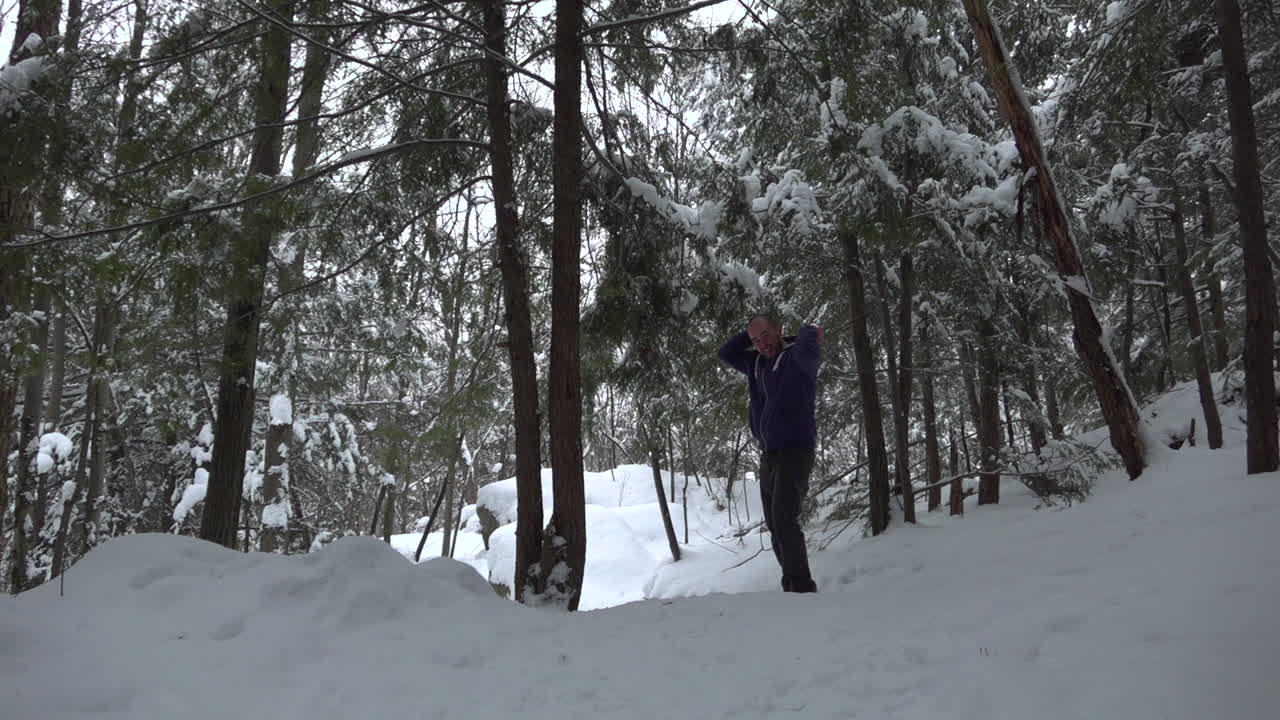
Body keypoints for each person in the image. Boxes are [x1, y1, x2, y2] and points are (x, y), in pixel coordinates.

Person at [718, 314, 822, 593]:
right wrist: (750, 332)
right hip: (769, 452)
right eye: (754, 340)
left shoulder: (795, 360)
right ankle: (791, 583)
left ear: (778, 331)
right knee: (775, 523)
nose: (761, 344)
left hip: (796, 449)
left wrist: (808, 330)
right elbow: (726, 353)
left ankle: (801, 587)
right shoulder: (756, 365)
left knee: (784, 516)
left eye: (765, 335)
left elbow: (810, 350)